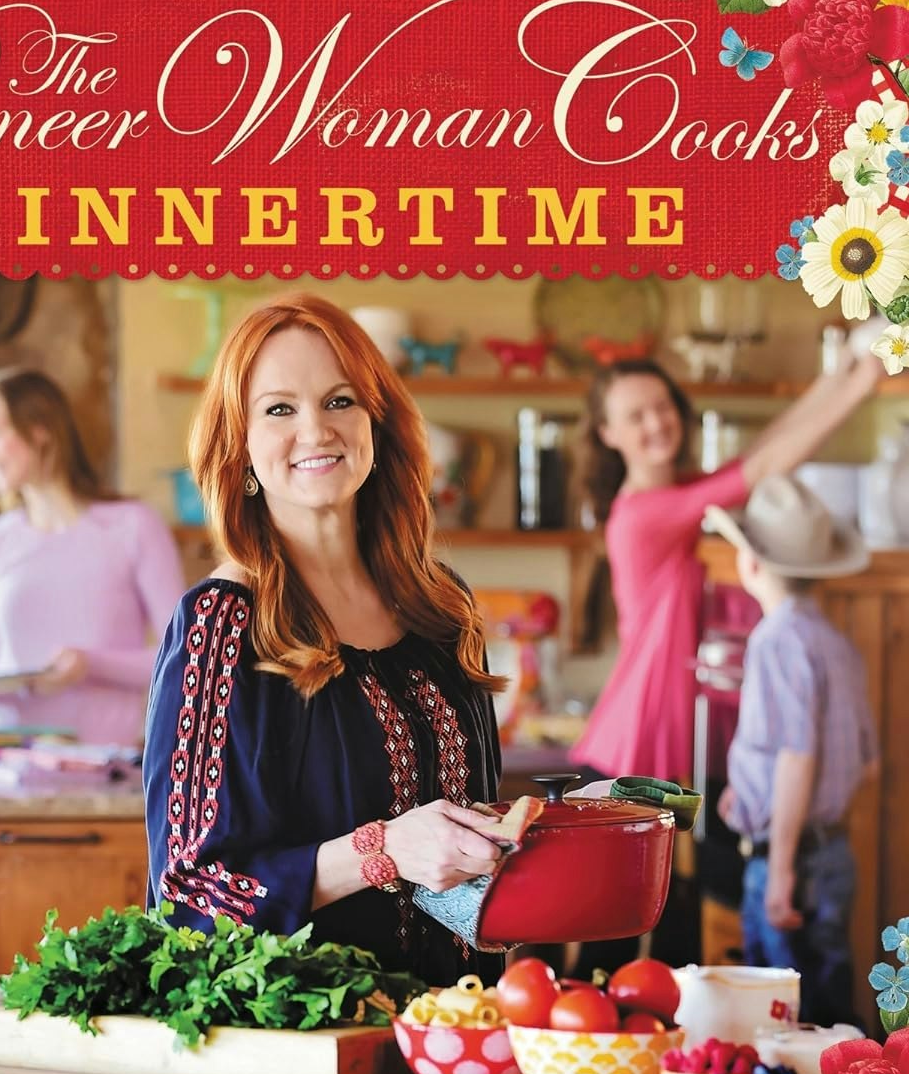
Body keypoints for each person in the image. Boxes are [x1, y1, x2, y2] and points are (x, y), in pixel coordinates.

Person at [142, 293, 515, 984]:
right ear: (241, 444)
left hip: (459, 1028)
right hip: (302, 1052)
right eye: (279, 409)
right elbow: (189, 898)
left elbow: (475, 840)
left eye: (340, 400)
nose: (316, 430)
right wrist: (385, 851)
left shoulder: (444, 607)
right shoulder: (220, 624)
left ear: (377, 420)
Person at [567, 350, 880, 972]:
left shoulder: (679, 491)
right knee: (618, 938)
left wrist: (833, 374)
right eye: (635, 416)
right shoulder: (643, 514)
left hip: (675, 746)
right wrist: (862, 383)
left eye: (662, 407)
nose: (657, 423)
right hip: (641, 749)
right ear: (607, 433)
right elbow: (762, 468)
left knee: (670, 928)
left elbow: (757, 455)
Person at [708, 476, 877, 1027]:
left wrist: (780, 868)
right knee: (827, 1003)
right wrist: (750, 792)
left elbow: (797, 755)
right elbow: (865, 760)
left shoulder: (775, 640)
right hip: (833, 853)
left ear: (752, 565)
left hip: (791, 858)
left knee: (780, 1014)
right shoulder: (839, 643)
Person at [0, 366, 185, 747]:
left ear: (40, 429)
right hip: (7, 768)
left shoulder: (134, 526)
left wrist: (90, 665)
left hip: (109, 768)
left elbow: (184, 660)